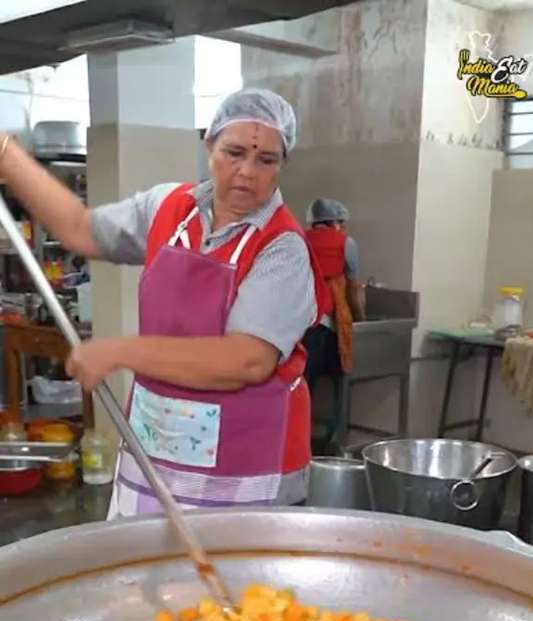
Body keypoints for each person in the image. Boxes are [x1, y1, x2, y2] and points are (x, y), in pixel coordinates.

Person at [0, 89, 328, 513]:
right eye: (233, 152)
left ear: (282, 164)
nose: (247, 171)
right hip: (156, 444)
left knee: (235, 576)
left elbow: (247, 360)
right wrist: (10, 158)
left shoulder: (282, 248)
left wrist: (121, 350)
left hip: (248, 461)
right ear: (209, 144)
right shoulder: (168, 208)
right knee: (144, 572)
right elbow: (80, 228)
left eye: (266, 160)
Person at [303, 198, 365, 444]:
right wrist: (359, 317)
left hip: (299, 326)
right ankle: (332, 443)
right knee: (340, 383)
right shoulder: (345, 243)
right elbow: (353, 288)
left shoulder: (298, 239)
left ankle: (301, 443)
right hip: (326, 327)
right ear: (336, 222)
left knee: (303, 387)